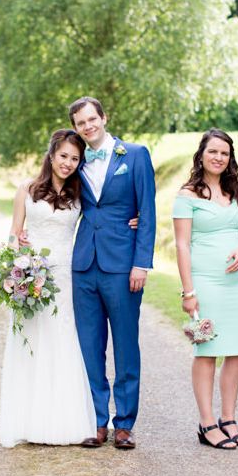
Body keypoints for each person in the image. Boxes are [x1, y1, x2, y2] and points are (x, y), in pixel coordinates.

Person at [69, 96, 156, 450]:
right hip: (84, 265)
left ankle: (124, 423)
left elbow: (147, 211)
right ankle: (97, 421)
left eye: (92, 119)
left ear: (104, 118)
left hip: (123, 266)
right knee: (90, 346)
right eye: (81, 123)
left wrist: (141, 262)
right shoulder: (74, 161)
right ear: (75, 127)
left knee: (125, 345)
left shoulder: (134, 155)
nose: (88, 127)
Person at [1, 129, 97, 447]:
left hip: (66, 277)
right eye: (63, 156)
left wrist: (131, 220)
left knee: (63, 341)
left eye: (74, 158)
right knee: (32, 342)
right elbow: (15, 233)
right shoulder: (27, 189)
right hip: (32, 276)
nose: (68, 163)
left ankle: (64, 421)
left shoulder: (81, 192)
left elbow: (103, 217)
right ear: (51, 154)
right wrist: (20, 262)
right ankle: (30, 420)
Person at [173, 129, 238, 450]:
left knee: (236, 350)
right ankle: (207, 422)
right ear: (201, 155)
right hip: (205, 281)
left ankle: (229, 419)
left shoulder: (237, 190)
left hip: (237, 282)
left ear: (230, 158)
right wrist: (188, 291)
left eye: (224, 153)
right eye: (213, 151)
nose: (218, 157)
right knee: (207, 351)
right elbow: (182, 245)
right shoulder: (188, 194)